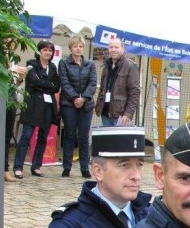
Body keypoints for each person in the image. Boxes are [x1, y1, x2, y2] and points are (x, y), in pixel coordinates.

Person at [12, 40, 60, 179]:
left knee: (43, 138)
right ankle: (18, 167)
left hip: (48, 106)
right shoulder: (31, 64)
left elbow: (57, 86)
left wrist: (44, 84)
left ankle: (36, 166)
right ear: (39, 51)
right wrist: (48, 84)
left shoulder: (53, 67)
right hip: (33, 106)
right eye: (45, 50)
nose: (47, 52)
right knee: (26, 136)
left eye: (50, 50)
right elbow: (34, 81)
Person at [58, 36, 97, 178]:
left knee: (84, 137)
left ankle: (84, 167)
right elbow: (64, 82)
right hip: (69, 104)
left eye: (80, 46)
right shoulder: (64, 63)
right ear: (70, 48)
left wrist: (84, 98)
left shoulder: (90, 64)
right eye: (75, 46)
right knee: (69, 135)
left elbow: (93, 83)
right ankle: (67, 167)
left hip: (86, 105)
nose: (78, 49)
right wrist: (74, 98)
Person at [94, 37, 140, 127]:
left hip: (121, 116)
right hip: (105, 113)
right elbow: (102, 89)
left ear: (123, 48)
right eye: (111, 47)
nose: (113, 50)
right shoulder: (106, 66)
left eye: (116, 47)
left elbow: (135, 92)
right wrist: (98, 106)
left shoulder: (130, 66)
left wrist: (128, 113)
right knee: (107, 137)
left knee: (119, 137)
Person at [4, 62, 27, 182]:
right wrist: (11, 70)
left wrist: (20, 79)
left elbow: (13, 84)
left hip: (11, 101)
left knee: (7, 136)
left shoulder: (11, 59)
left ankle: (5, 170)